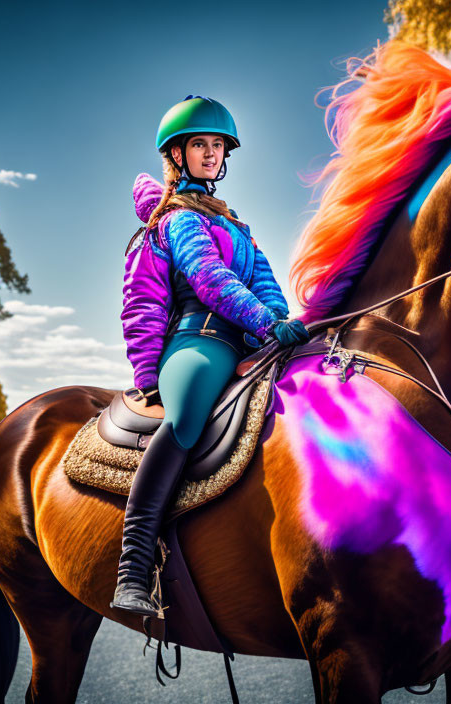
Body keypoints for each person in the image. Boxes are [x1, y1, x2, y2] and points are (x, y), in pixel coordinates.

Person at [111, 95, 310, 617]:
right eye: (199, 144)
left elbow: (264, 280)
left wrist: (281, 321)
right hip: (197, 340)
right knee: (185, 418)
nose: (210, 153)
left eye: (217, 145)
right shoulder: (177, 218)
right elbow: (209, 278)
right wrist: (267, 323)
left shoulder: (237, 225)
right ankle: (132, 565)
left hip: (249, 340)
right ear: (177, 155)